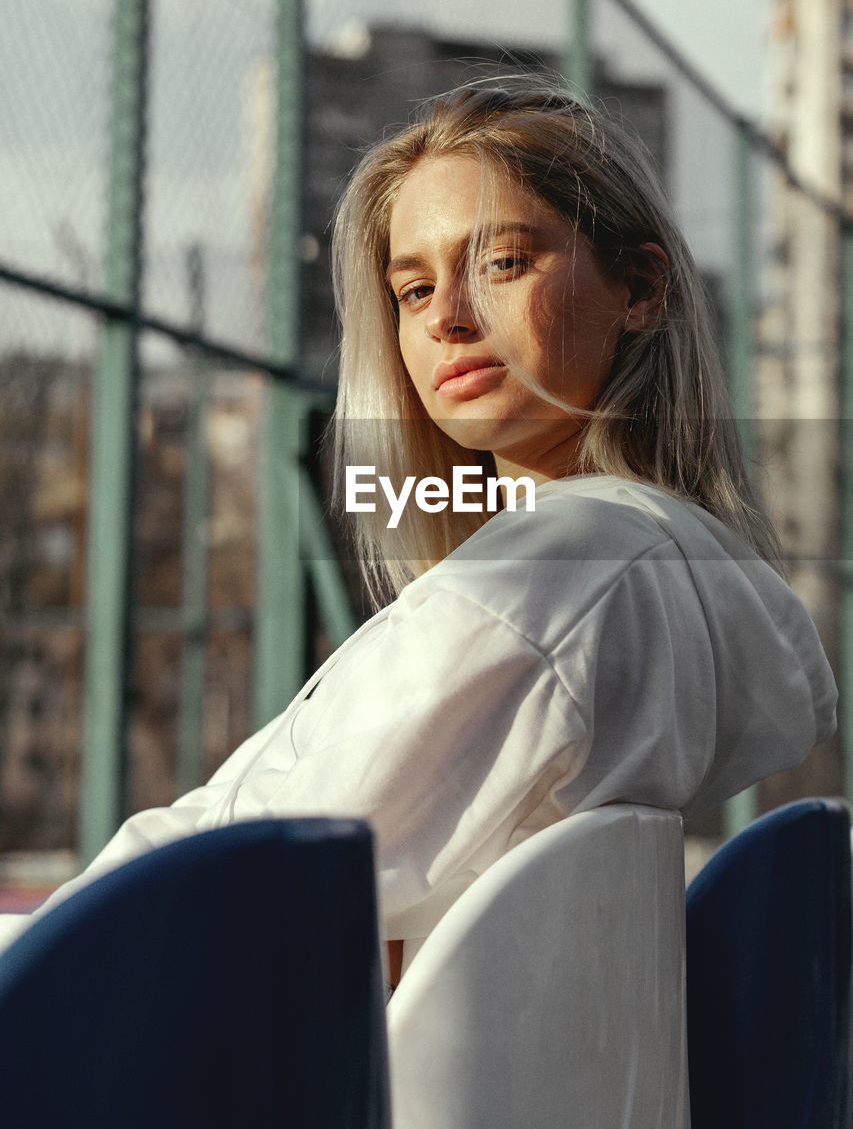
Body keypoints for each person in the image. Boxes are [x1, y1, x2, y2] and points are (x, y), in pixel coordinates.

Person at [0, 86, 837, 984]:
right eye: (412, 287)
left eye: (504, 263)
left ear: (638, 288)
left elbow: (245, 871)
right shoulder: (650, 570)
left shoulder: (557, 578)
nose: (446, 317)